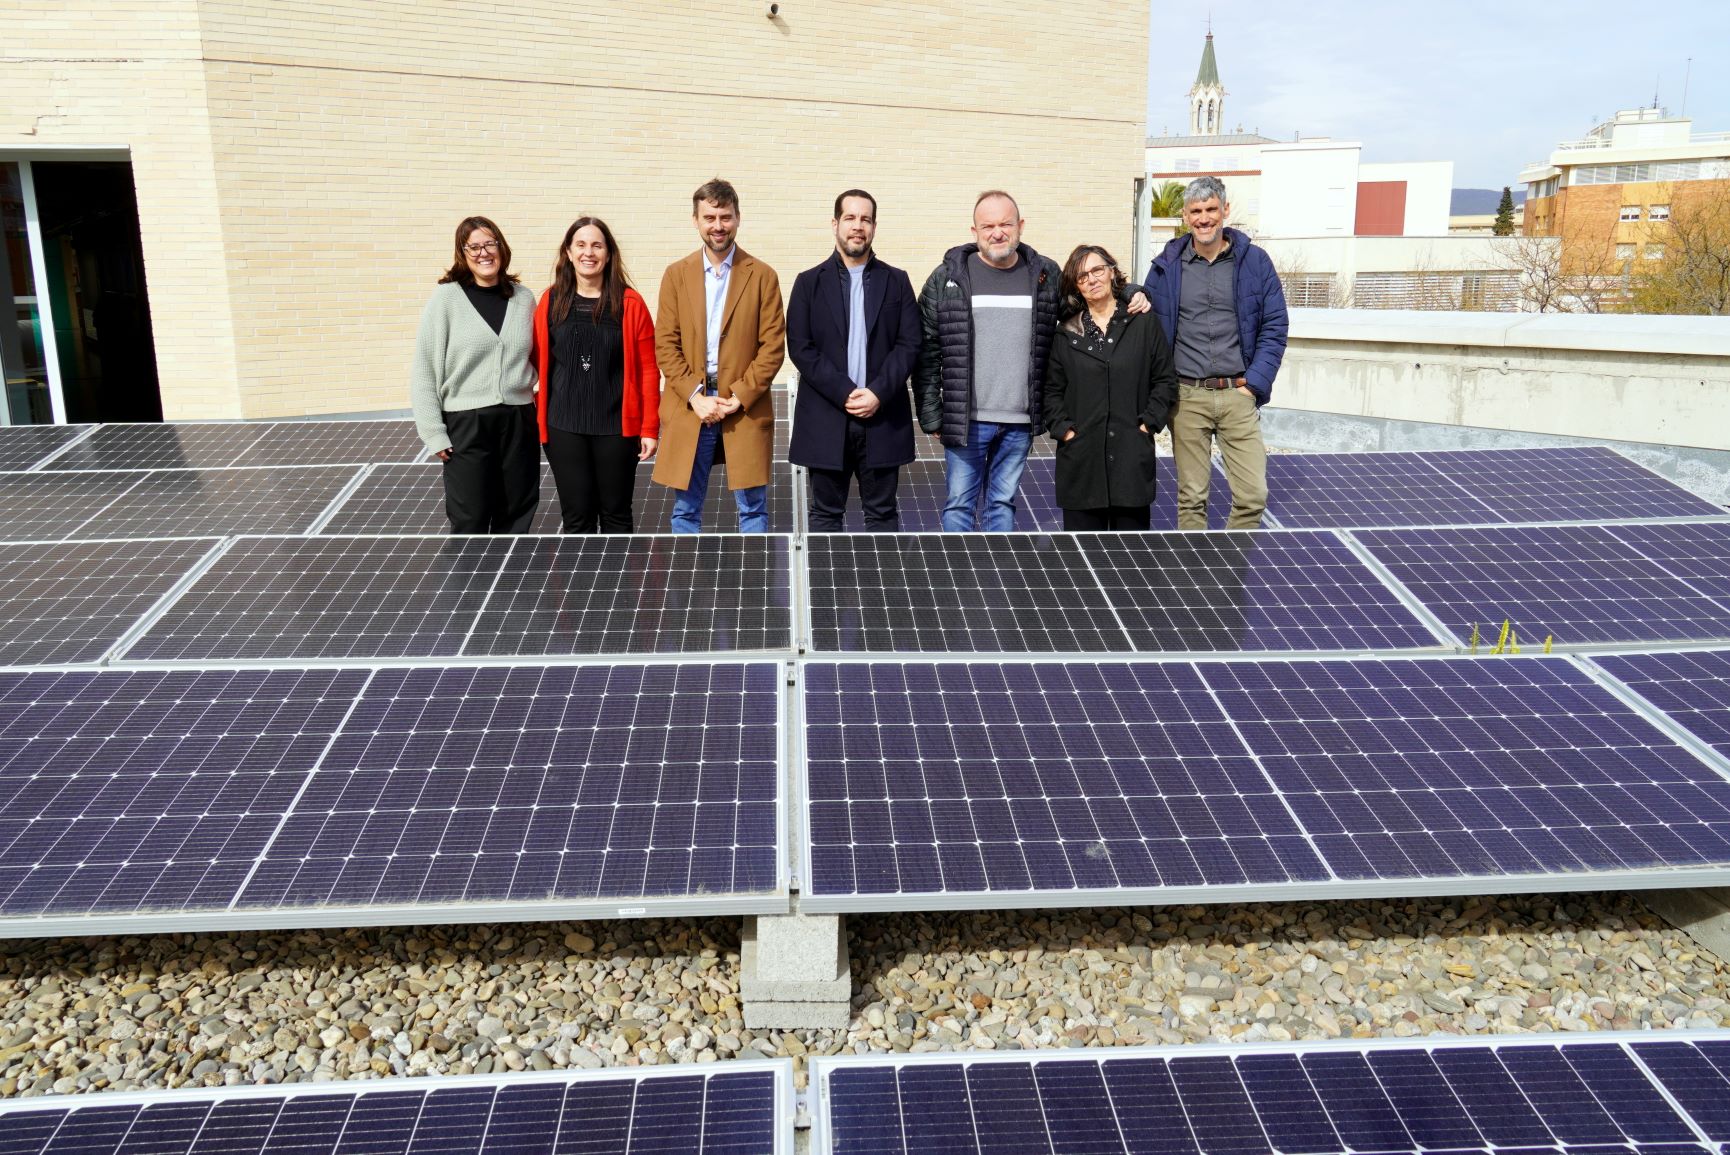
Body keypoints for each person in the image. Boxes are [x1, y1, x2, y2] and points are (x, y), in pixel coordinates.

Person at [915, 191, 1148, 531]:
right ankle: (962, 583)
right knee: (959, 507)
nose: (997, 232)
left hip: (1019, 423)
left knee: (1001, 504)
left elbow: (1090, 296)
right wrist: (931, 412)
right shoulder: (947, 278)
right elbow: (927, 347)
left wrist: (1130, 292)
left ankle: (996, 581)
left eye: (1005, 224)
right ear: (974, 231)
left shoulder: (1044, 275)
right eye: (988, 226)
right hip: (965, 421)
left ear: (1020, 226)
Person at [1141, 176, 1288, 529]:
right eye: (1196, 211)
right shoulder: (1167, 265)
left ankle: (1230, 570)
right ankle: (1197, 577)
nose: (1204, 218)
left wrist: (1254, 384)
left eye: (1210, 209)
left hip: (1239, 393)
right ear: (1185, 215)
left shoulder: (1255, 262)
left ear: (1225, 210)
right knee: (1192, 500)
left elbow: (1275, 326)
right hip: (1187, 396)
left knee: (1253, 496)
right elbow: (1144, 313)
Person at [651, 178, 785, 532]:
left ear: (738, 218)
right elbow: (665, 344)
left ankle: (753, 584)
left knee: (753, 512)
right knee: (685, 512)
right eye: (709, 218)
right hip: (691, 406)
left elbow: (772, 347)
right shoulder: (676, 276)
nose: (718, 226)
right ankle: (687, 582)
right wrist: (696, 396)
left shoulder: (762, 276)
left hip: (741, 407)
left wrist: (738, 397)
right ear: (695, 220)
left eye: (725, 217)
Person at [786, 189, 920, 531]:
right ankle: (826, 586)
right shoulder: (808, 283)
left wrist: (876, 392)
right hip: (827, 418)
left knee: (882, 514)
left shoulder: (897, 281)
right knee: (825, 515)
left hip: (882, 416)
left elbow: (909, 344)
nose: (857, 226)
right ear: (835, 224)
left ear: (874, 226)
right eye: (850, 218)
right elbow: (801, 347)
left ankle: (882, 587)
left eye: (865, 219)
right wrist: (845, 391)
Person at [409, 216, 540, 534]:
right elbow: (424, 369)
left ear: (502, 247)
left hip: (517, 420)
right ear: (462, 253)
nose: (484, 253)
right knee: (471, 515)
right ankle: (472, 582)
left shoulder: (524, 299)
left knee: (517, 511)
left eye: (490, 244)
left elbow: (537, 357)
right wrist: (433, 432)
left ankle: (514, 581)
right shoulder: (446, 299)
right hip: (466, 423)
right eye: (474, 246)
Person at [532, 216, 658, 533]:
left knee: (616, 514)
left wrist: (650, 427)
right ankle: (581, 583)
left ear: (608, 253)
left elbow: (648, 370)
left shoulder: (630, 304)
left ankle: (619, 584)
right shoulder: (550, 301)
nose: (589, 252)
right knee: (577, 517)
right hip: (563, 427)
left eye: (597, 245)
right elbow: (535, 358)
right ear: (569, 252)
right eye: (581, 245)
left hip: (616, 428)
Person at [1044, 245, 1178, 530]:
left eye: (1097, 270)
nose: (1091, 279)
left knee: (1130, 562)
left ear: (1112, 271)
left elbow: (1165, 381)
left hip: (1130, 459)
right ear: (1075, 286)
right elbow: (1051, 391)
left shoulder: (1143, 322)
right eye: (1082, 276)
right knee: (1082, 562)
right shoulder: (1066, 333)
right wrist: (1065, 431)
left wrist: (1148, 424)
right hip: (1082, 462)